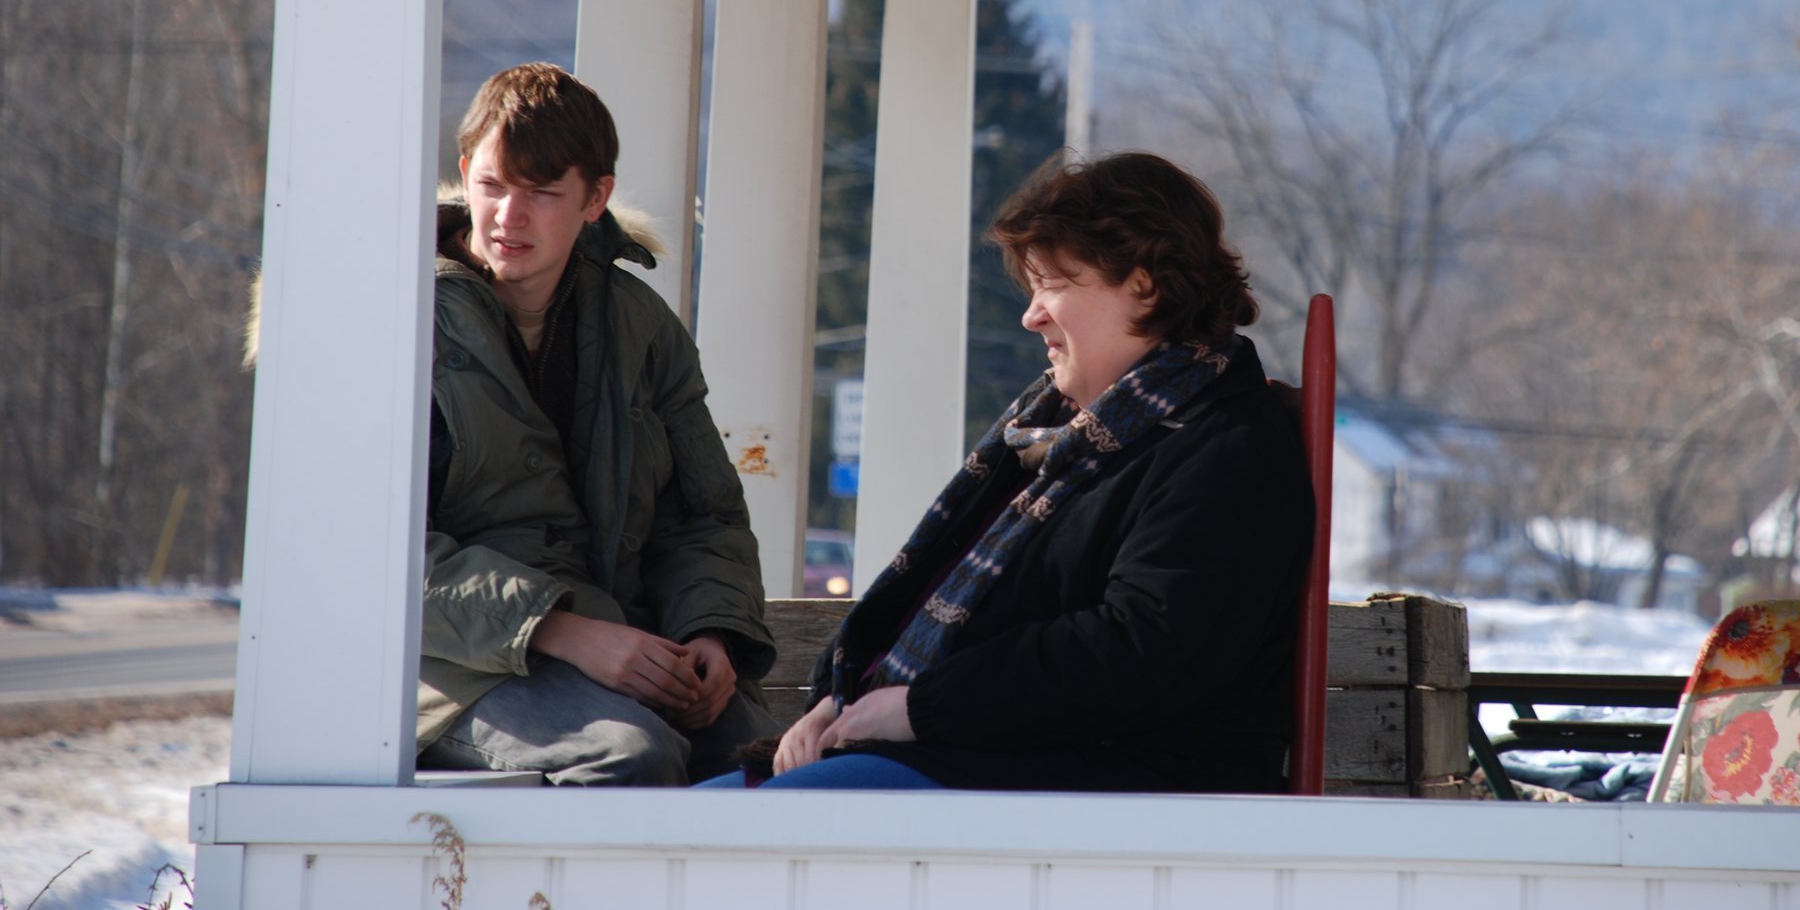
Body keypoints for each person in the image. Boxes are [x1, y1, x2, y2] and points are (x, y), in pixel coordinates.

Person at [712, 152, 1313, 792]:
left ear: (1145, 284)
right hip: (981, 763)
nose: (1031, 316)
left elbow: (1142, 651)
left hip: (1107, 796)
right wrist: (845, 698)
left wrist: (918, 709)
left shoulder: (1227, 451)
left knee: (703, 848)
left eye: (1053, 286)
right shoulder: (1055, 433)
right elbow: (952, 608)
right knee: (691, 824)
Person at [416, 63, 777, 785]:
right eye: (491, 184)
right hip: (447, 670)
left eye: (543, 193)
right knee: (633, 757)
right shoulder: (400, 316)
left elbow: (704, 515)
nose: (507, 216)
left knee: (764, 767)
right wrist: (559, 628)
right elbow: (370, 555)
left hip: (627, 648)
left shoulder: (638, 323)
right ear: (465, 172)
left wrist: (711, 631)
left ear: (596, 197)